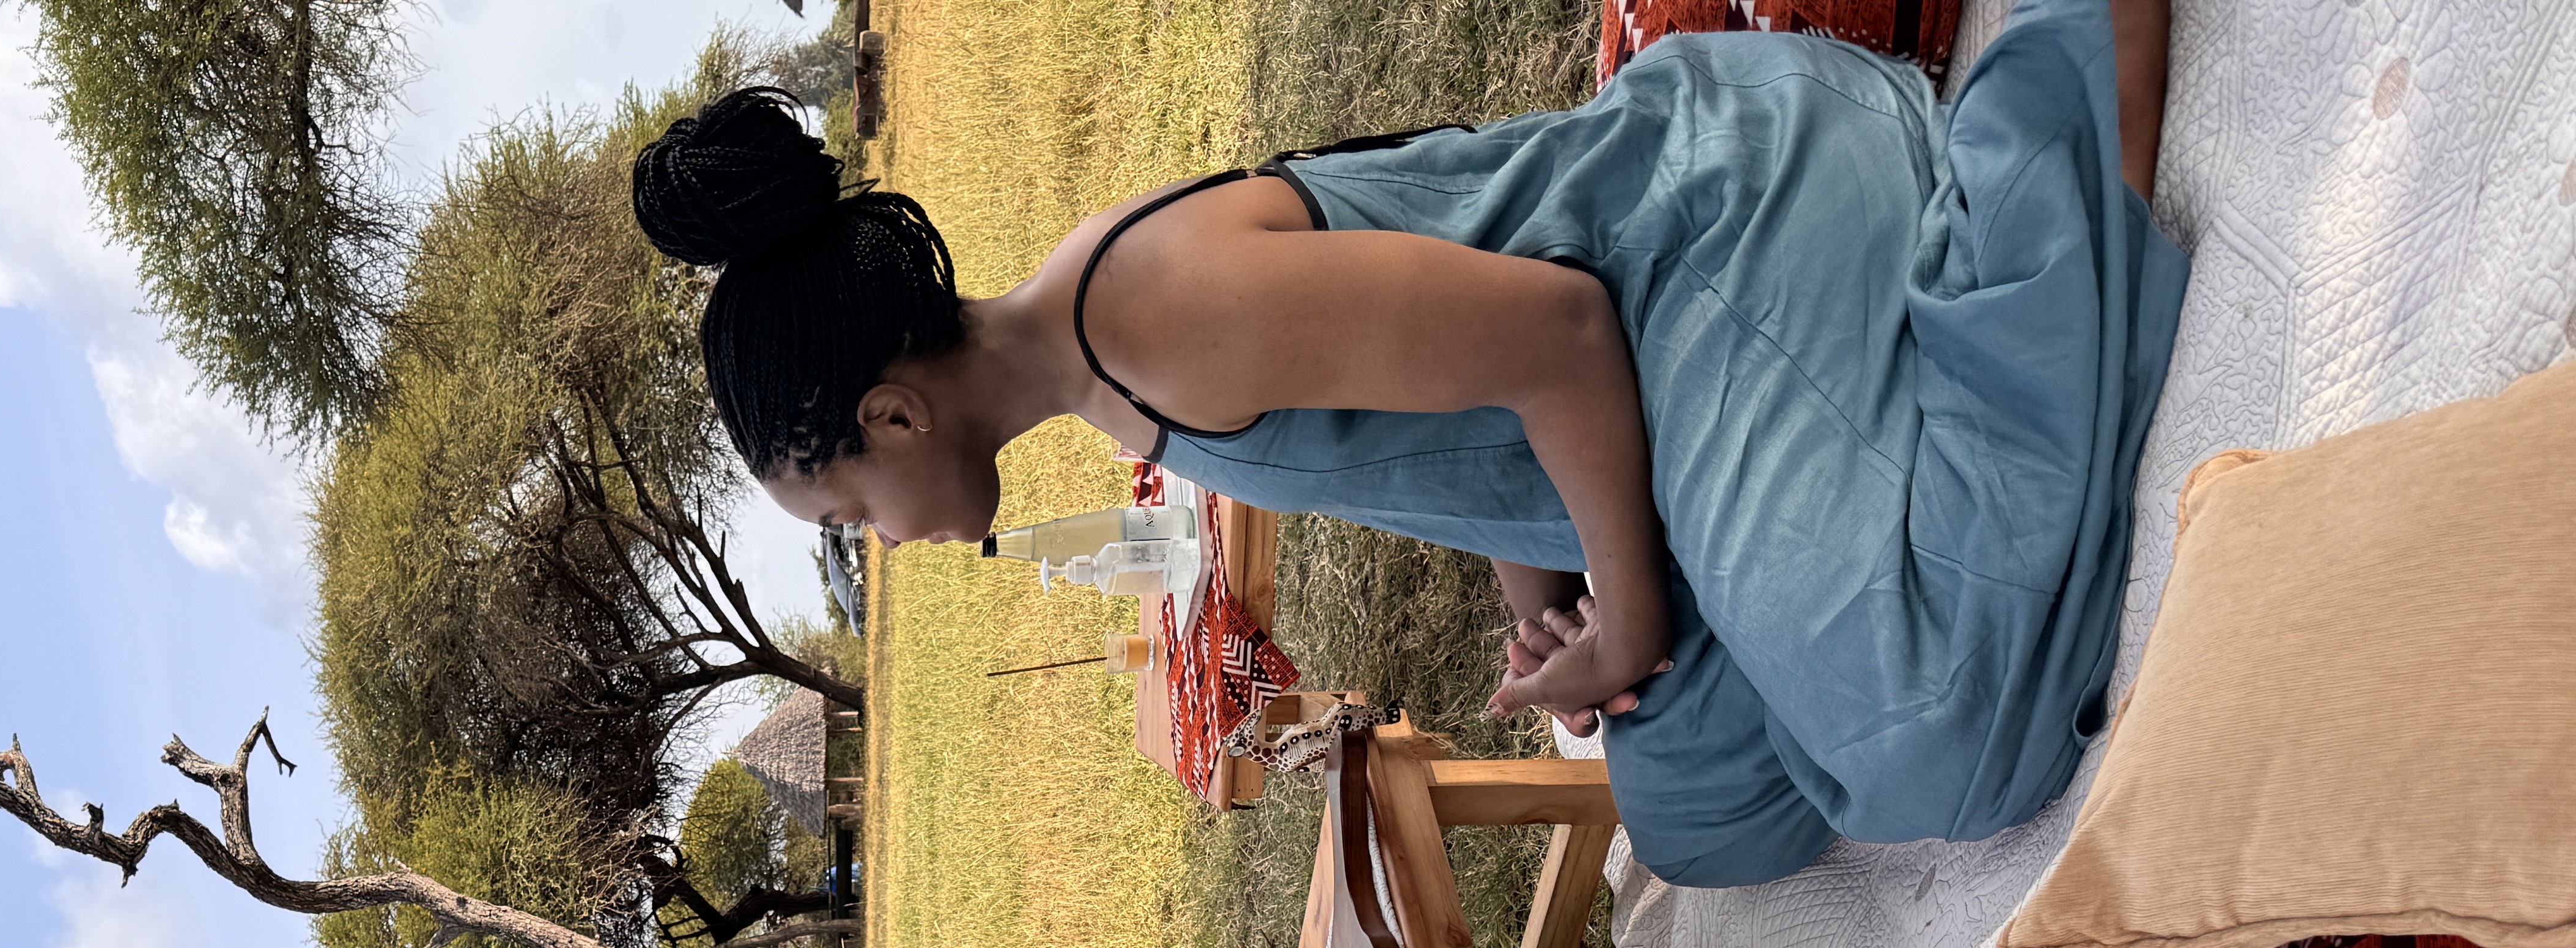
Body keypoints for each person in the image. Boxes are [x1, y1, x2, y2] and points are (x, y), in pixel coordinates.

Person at [630, 0, 2183, 888]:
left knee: (1932, 732)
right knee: (1707, 818)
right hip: (1622, 363)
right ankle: (1799, 544)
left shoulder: (1155, 317)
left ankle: (2040, 114)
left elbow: (1558, 334)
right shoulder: (1103, 379)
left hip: (1708, 240)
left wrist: (1631, 609)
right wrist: (1541, 600)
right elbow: (1455, 402)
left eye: (844, 505)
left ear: (889, 418)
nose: (883, 542)